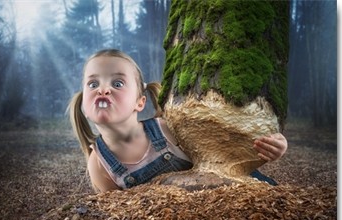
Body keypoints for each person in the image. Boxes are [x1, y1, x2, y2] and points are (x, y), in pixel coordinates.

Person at [68, 49, 288, 193]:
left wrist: (274, 146)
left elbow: (228, 155)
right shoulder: (99, 164)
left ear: (140, 102)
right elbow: (119, 216)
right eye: (92, 84)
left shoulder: (167, 128)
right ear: (84, 106)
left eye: (117, 84)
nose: (102, 89)